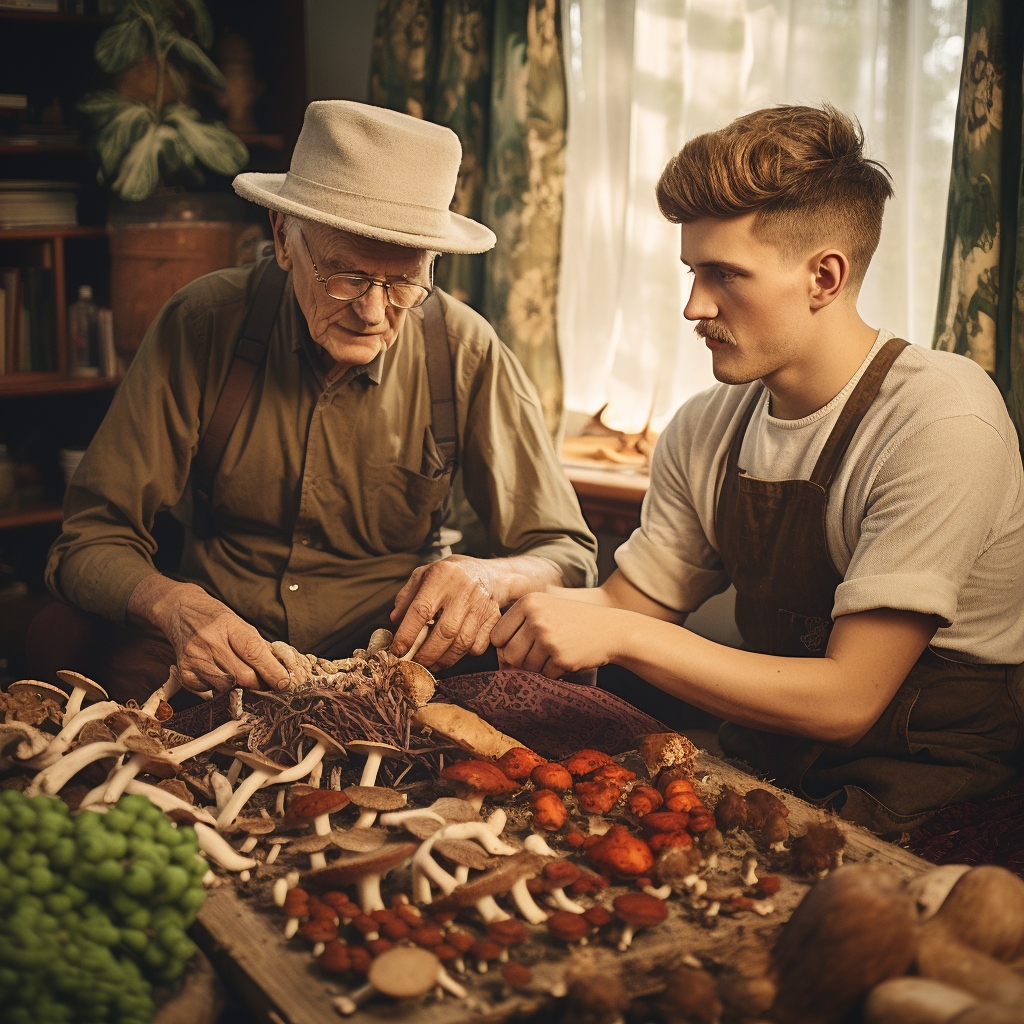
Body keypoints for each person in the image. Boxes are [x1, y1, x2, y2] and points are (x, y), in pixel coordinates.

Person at [492, 104, 1024, 834]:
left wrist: (623, 638)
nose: (692, 305)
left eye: (723, 275)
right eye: (691, 271)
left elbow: (848, 700)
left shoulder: (942, 419)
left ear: (825, 277)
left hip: (930, 785)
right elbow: (627, 608)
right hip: (771, 763)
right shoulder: (706, 425)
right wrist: (489, 595)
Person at [34, 100, 596, 706]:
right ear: (282, 238)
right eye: (346, 276)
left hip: (392, 665)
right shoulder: (202, 324)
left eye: (405, 281)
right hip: (225, 658)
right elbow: (89, 538)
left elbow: (567, 554)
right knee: (56, 638)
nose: (374, 312)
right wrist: (176, 605)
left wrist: (489, 575)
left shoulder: (464, 351)